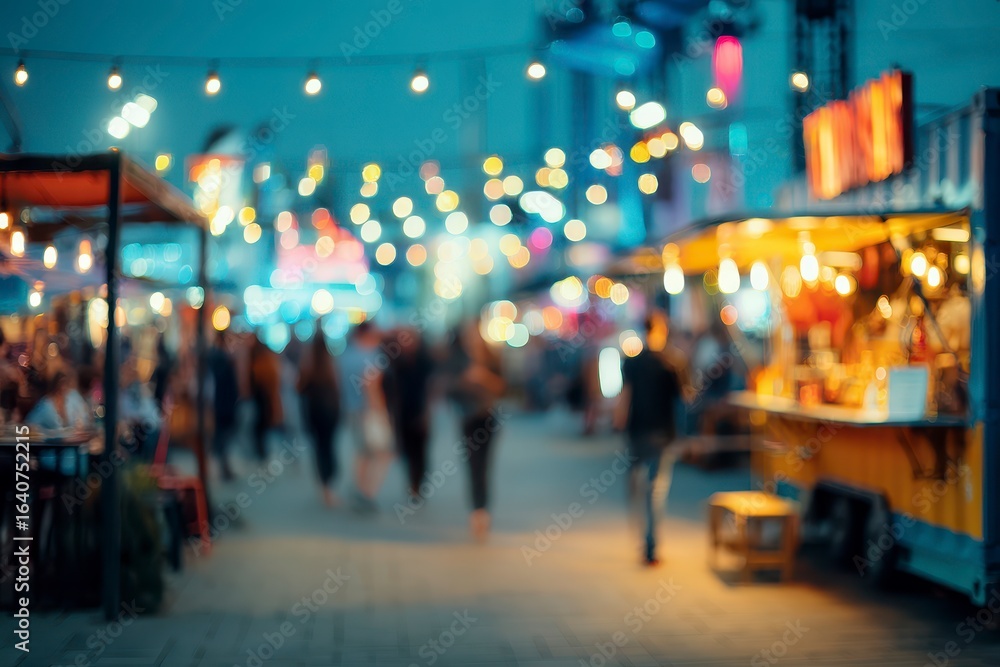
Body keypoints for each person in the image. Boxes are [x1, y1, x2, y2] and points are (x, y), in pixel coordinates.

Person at [615, 311, 689, 566]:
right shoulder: (673, 362)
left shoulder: (632, 362)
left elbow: (624, 398)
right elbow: (685, 400)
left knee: (636, 486)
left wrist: (618, 423)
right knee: (655, 490)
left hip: (637, 431)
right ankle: (650, 544)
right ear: (661, 329)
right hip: (663, 433)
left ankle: (640, 536)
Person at [451, 320, 505, 542]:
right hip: (467, 418)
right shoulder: (457, 360)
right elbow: (448, 388)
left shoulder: (492, 358)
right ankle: (477, 510)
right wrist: (464, 381)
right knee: (473, 465)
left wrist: (483, 377)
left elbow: (503, 387)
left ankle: (483, 508)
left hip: (488, 418)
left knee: (486, 465)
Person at [339, 321, 393, 512]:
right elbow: (371, 387)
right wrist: (381, 413)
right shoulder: (372, 355)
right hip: (370, 411)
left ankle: (359, 489)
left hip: (352, 410)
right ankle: (367, 493)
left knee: (362, 452)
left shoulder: (346, 354)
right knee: (384, 453)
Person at [384, 328, 434, 500]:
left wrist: (427, 412)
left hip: (419, 412)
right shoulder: (396, 362)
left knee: (420, 452)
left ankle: (418, 484)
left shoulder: (424, 361)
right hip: (402, 414)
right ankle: (412, 483)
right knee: (406, 451)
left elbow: (430, 388)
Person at [297, 324, 342, 507]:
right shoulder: (330, 364)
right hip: (330, 412)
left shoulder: (308, 365)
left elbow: (300, 388)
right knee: (329, 446)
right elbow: (337, 389)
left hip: (314, 413)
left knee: (319, 448)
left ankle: (324, 485)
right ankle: (329, 482)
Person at [208, 331, 239, 481]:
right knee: (224, 436)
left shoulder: (217, 356)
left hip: (221, 402)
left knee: (223, 435)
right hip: (223, 403)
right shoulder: (220, 358)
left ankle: (224, 466)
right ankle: (223, 466)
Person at [249, 336, 284, 464]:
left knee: (261, 427)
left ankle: (262, 453)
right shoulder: (268, 360)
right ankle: (263, 452)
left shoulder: (258, 362)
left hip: (262, 399)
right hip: (265, 399)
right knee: (263, 427)